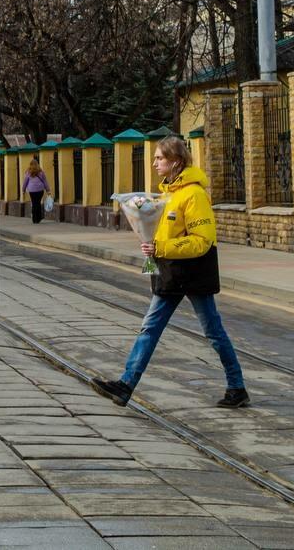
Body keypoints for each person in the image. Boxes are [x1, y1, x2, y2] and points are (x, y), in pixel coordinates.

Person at [92, 136, 249, 409]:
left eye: (159, 158)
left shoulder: (194, 195)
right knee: (150, 328)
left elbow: (202, 240)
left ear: (175, 161)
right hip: (171, 271)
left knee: (213, 331)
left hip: (194, 272)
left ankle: (236, 386)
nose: (154, 163)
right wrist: (150, 243)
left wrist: (160, 246)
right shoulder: (168, 194)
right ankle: (126, 384)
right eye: (154, 158)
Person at [22, 158, 52, 224]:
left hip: (32, 190)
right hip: (40, 190)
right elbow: (45, 181)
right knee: (38, 203)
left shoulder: (28, 172)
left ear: (30, 165)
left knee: (34, 203)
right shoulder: (41, 172)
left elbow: (25, 182)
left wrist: (23, 190)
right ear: (37, 164)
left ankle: (34, 219)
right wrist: (48, 190)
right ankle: (38, 218)